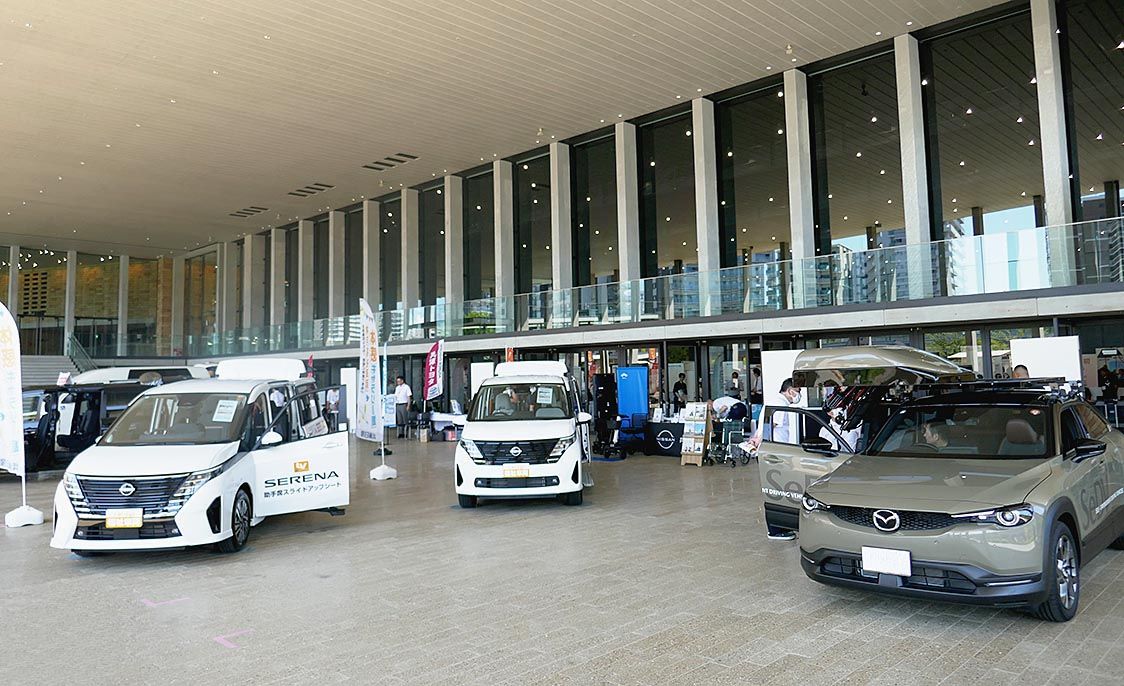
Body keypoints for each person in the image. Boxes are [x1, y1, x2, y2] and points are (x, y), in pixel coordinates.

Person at [749, 378, 803, 541]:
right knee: (776, 491)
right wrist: (758, 441)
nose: (799, 395)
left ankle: (779, 526)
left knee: (775, 490)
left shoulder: (774, 402)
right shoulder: (779, 405)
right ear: (790, 391)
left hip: (772, 452)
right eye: (798, 391)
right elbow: (770, 425)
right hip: (775, 454)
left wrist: (756, 440)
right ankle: (775, 530)